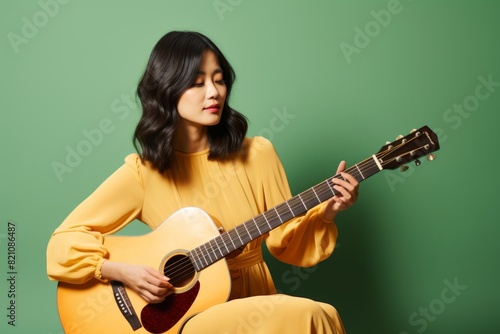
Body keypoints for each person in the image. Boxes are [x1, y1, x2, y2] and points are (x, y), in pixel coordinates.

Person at [46, 31, 359, 333]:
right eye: (197, 83)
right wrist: (121, 271)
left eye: (219, 80)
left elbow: (287, 245)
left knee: (321, 314)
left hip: (259, 303)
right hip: (188, 318)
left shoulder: (258, 154)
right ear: (167, 90)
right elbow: (61, 244)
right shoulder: (144, 173)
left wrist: (328, 211)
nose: (214, 92)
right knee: (310, 314)